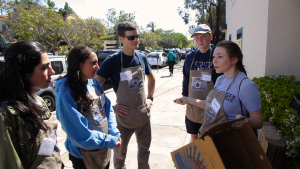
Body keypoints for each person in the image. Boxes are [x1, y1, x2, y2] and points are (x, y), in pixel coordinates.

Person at [95, 21, 156, 169]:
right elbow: (94, 88)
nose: (135, 40)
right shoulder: (112, 61)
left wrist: (150, 98)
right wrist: (110, 107)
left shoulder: (142, 57)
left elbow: (151, 78)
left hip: (143, 117)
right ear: (121, 38)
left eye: (137, 36)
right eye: (131, 37)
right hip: (123, 120)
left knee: (144, 151)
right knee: (120, 155)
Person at [175, 40, 263, 136]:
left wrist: (245, 121)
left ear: (234, 60)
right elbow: (212, 106)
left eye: (220, 57)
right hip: (214, 138)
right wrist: (188, 100)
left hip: (232, 140)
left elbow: (258, 121)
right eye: (214, 57)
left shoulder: (246, 86)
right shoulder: (220, 79)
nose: (214, 61)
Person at [55, 46, 121, 169]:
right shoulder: (66, 94)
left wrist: (113, 132)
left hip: (102, 151)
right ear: (80, 65)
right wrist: (108, 140)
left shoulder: (94, 83)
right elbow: (80, 135)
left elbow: (107, 109)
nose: (98, 67)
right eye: (93, 63)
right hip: (84, 157)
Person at [0, 40, 62, 169]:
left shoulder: (38, 101)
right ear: (25, 73)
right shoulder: (6, 115)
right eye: (44, 67)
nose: (52, 72)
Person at [182, 24, 223, 142]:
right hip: (193, 105)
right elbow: (186, 77)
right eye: (196, 37)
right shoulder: (190, 56)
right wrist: (185, 95)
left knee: (210, 138)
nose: (199, 40)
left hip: (212, 104)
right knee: (194, 136)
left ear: (210, 36)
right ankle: (195, 159)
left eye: (203, 37)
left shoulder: (217, 54)